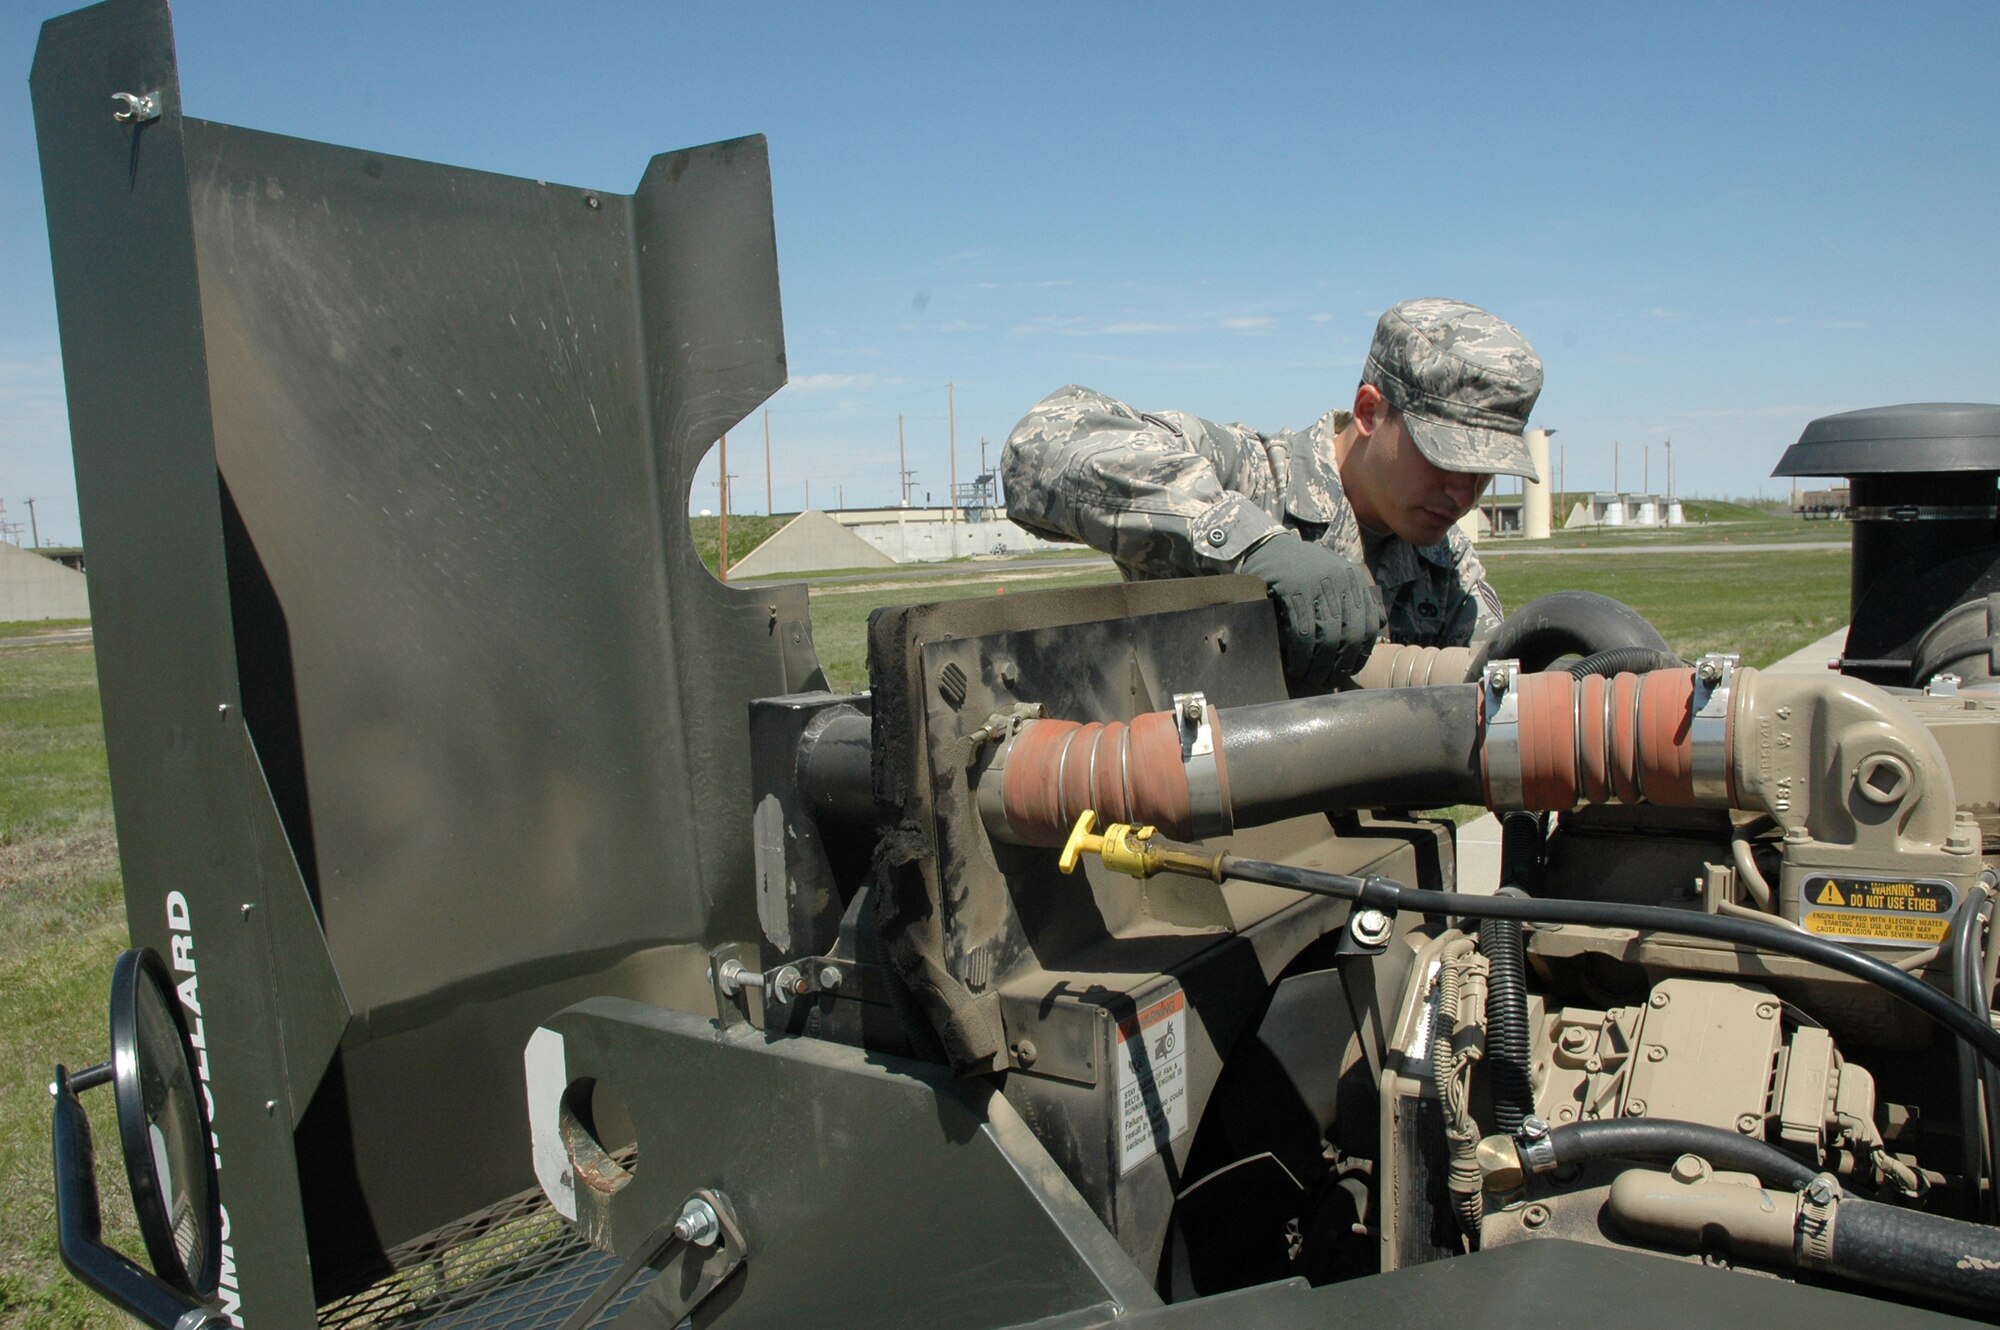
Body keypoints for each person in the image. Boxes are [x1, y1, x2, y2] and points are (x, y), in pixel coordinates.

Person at [1001, 298, 1543, 690]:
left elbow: (1496, 677)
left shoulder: (1445, 566)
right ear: (1369, 411)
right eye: (1443, 456)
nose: (1463, 493)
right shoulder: (1248, 474)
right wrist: (1253, 545)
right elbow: (1043, 440)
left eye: (1484, 472)